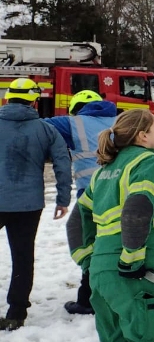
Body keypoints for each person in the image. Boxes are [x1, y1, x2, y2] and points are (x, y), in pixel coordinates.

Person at [67, 109, 154, 342]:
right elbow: (137, 208)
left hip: (101, 272)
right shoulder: (148, 163)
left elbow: (77, 219)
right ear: (142, 135)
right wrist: (132, 257)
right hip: (135, 272)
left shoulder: (104, 171)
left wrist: (87, 259)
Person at [0, 78, 71, 331]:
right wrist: (63, 198)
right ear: (34, 100)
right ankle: (16, 313)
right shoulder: (46, 129)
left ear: (7, 97)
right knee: (22, 256)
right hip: (28, 204)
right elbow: (62, 164)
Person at [47, 89, 118, 316]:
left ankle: (87, 299)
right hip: (123, 191)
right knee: (114, 240)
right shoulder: (121, 120)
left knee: (86, 240)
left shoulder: (71, 123)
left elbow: (37, 127)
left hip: (91, 195)